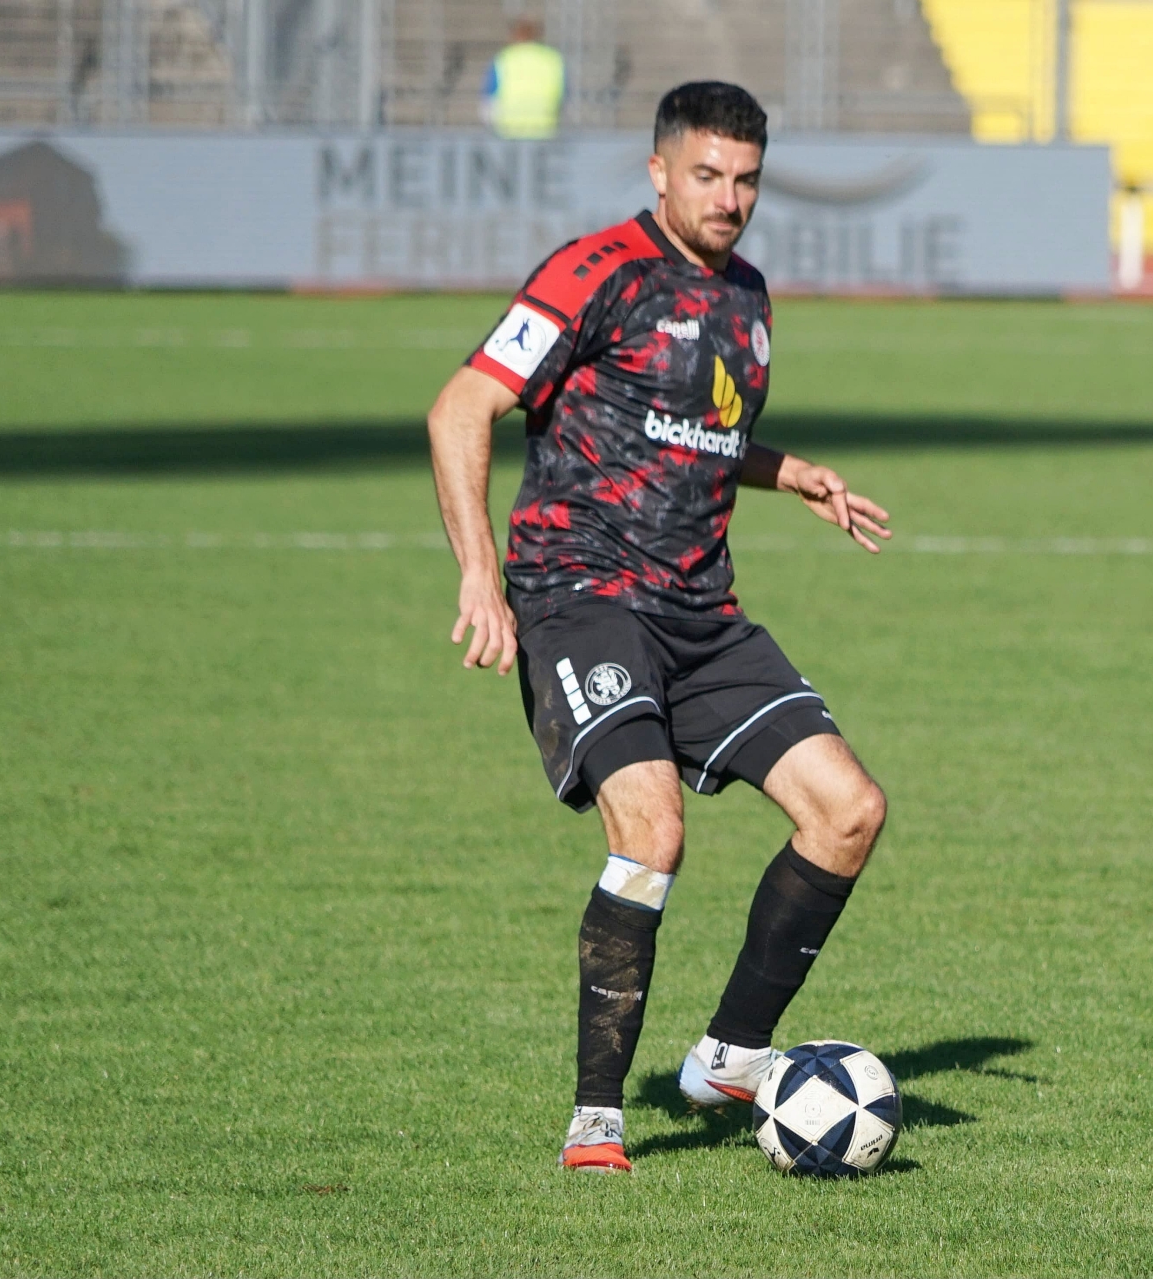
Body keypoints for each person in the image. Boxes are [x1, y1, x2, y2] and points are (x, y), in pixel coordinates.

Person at [426, 81, 895, 1173]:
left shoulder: (748, 297)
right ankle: (597, 1117)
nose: (729, 198)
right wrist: (481, 576)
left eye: (747, 180)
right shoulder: (594, 273)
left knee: (849, 810)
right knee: (652, 832)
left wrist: (788, 471)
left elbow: (691, 427)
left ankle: (730, 1056)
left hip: (700, 612)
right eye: (707, 175)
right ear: (659, 171)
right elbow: (461, 407)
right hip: (581, 594)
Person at [480, 18, 565, 140]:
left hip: (508, 130)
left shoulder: (504, 58)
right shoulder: (553, 59)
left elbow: (489, 98)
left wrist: (490, 127)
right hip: (544, 129)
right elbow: (563, 95)